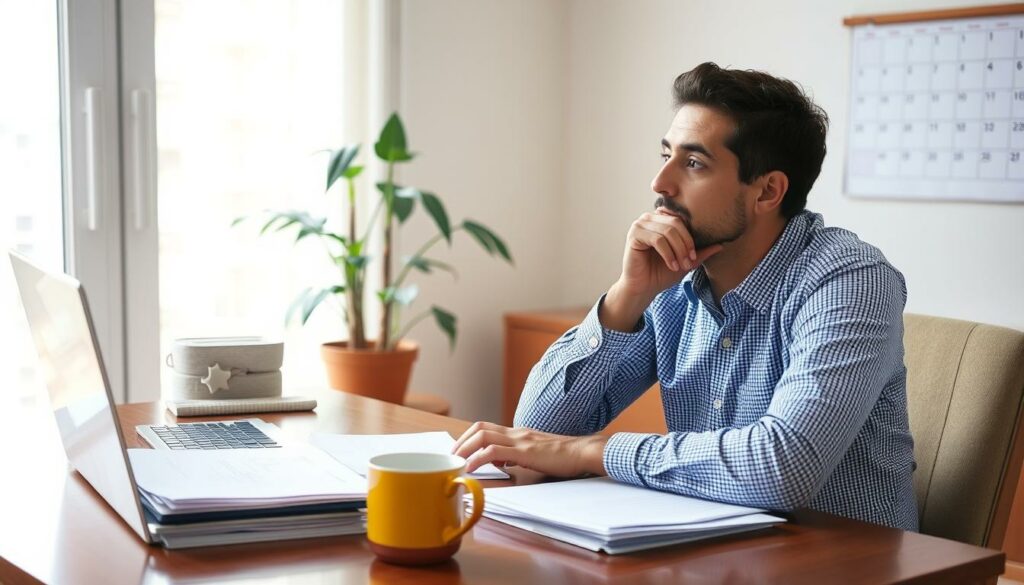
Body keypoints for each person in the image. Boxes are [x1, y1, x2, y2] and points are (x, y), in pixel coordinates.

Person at [453, 62, 917, 530]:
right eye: (666, 156)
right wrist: (627, 295)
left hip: (845, 563)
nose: (660, 184)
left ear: (768, 191)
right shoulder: (674, 279)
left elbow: (783, 467)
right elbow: (539, 428)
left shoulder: (850, 280)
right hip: (710, 551)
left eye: (693, 164)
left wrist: (593, 452)